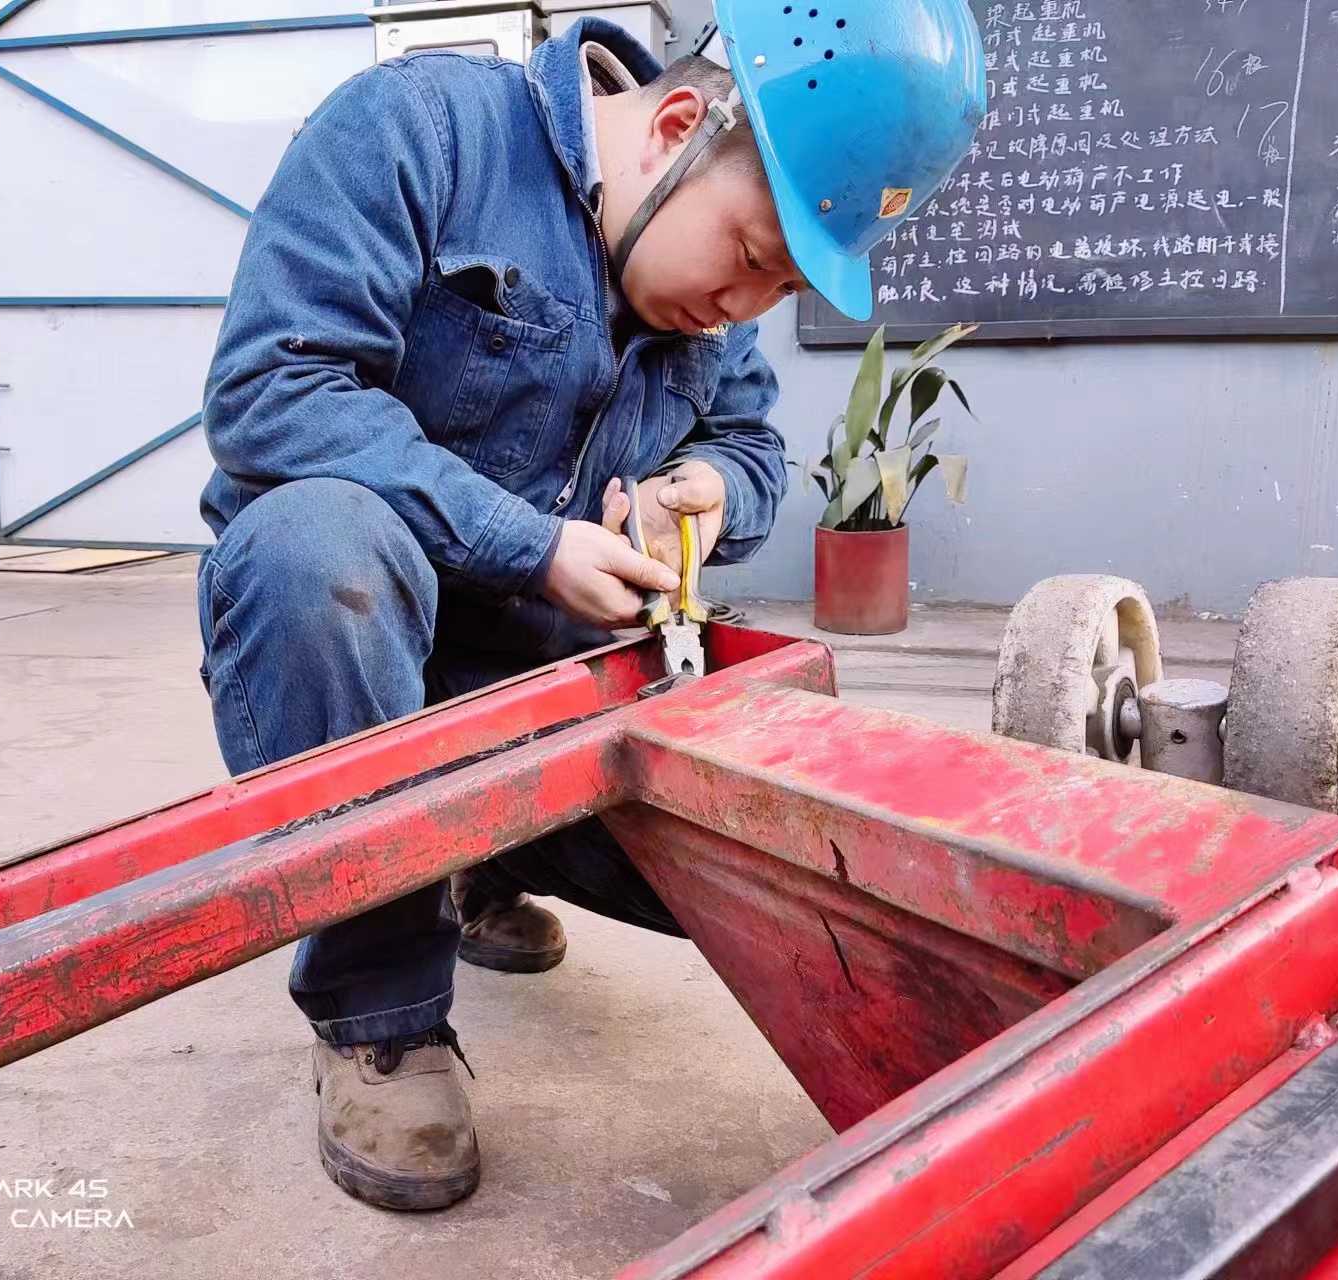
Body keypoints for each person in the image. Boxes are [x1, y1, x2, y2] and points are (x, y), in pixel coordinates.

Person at [196, 0, 984, 1211]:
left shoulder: (702, 310)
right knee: (314, 548)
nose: (744, 305)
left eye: (780, 289)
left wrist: (707, 488)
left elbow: (751, 442)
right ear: (674, 125)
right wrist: (528, 543)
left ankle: (473, 860)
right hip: (354, 650)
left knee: (755, 854)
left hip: (548, 685)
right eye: (752, 256)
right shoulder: (422, 132)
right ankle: (380, 1016)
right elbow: (274, 388)